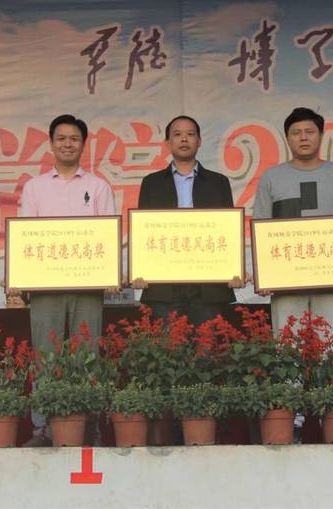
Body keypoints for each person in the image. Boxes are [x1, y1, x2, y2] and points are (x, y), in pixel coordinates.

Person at [15, 114, 117, 447]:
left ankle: (89, 427)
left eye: (74, 139)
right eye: (61, 138)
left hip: (88, 288)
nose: (67, 144)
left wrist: (111, 273)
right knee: (46, 357)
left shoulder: (98, 187)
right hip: (45, 288)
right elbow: (26, 237)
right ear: (51, 144)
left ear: (83, 144)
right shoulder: (35, 187)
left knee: (87, 356)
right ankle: (43, 428)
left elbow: (108, 236)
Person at [252, 107, 333, 334]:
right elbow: (260, 227)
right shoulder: (271, 177)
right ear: (287, 138)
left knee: (331, 344)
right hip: (285, 279)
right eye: (296, 132)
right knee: (288, 345)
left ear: (321, 135)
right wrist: (263, 276)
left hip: (332, 277)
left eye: (309, 132)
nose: (303, 137)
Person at [133, 115, 245, 325]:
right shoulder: (152, 183)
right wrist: (139, 270)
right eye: (177, 134)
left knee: (207, 345)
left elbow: (228, 231)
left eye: (190, 134)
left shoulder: (218, 182)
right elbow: (143, 233)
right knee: (167, 345)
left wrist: (234, 269)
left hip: (208, 286)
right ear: (167, 143)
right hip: (164, 286)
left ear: (199, 141)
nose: (184, 139)